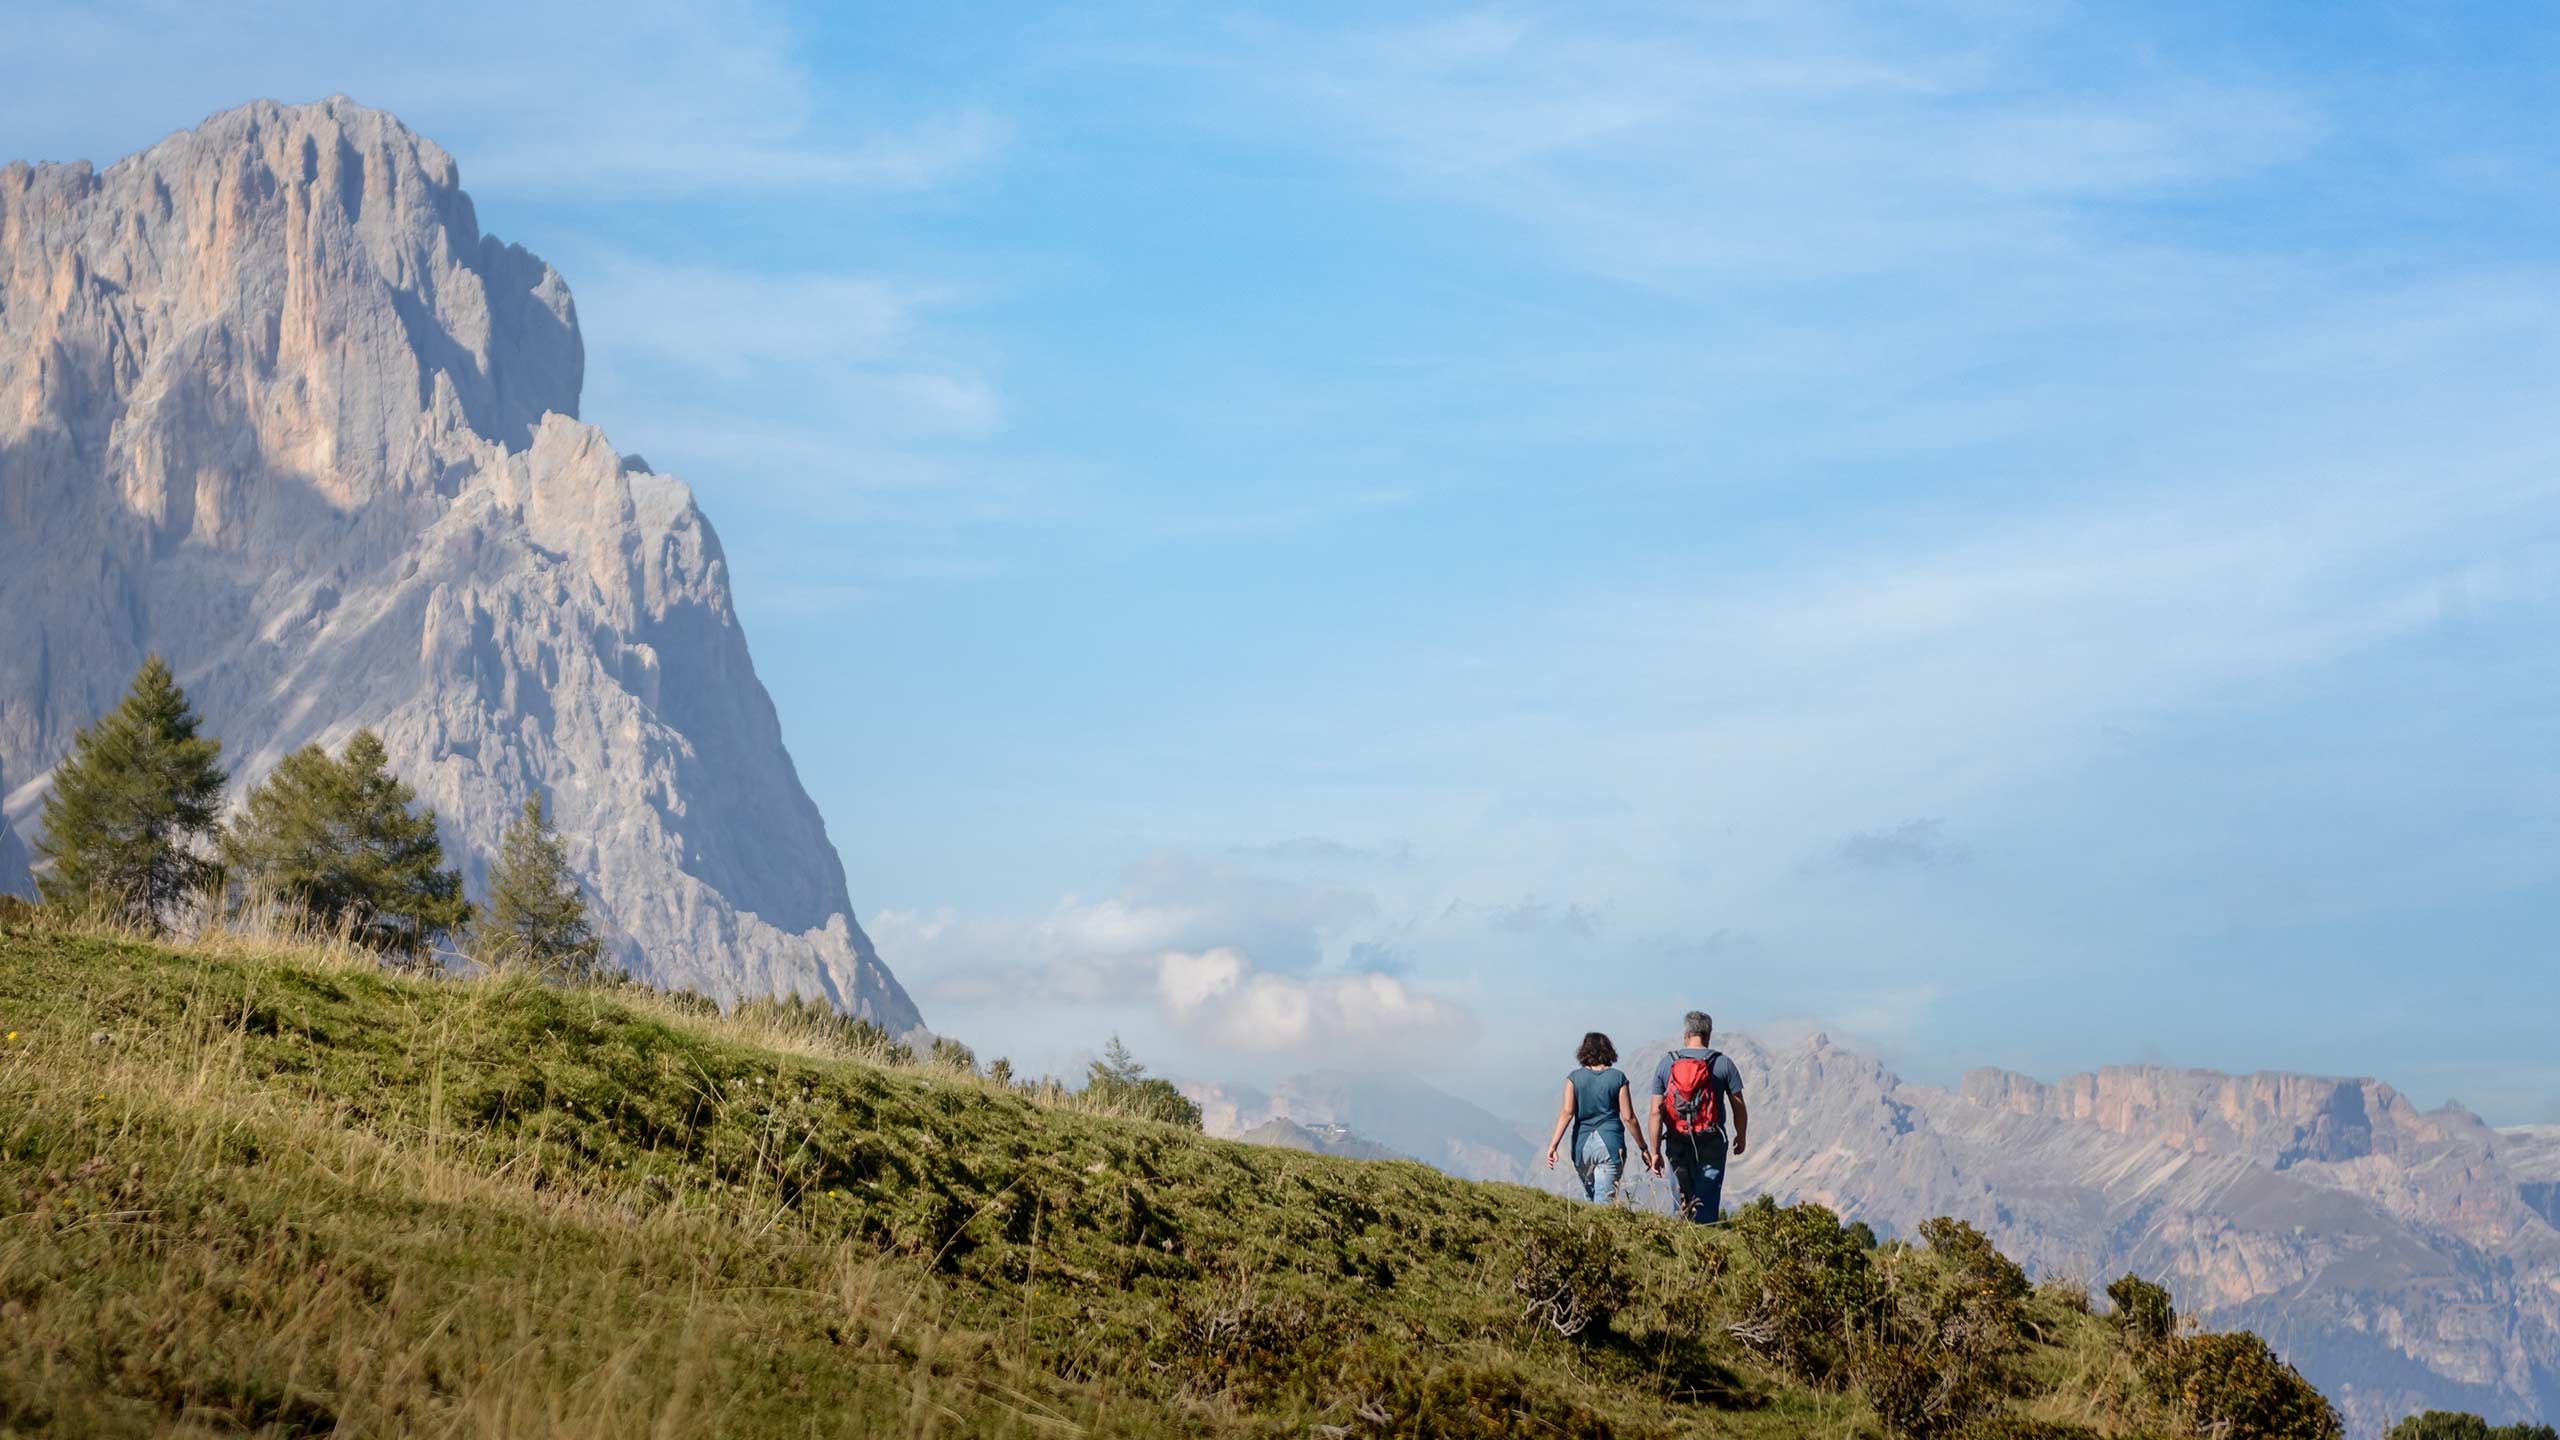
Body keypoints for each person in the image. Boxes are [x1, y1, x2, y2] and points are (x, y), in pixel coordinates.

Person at [1644, 1010, 1748, 1223]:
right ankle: (1705, 1244)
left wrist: (1654, 1151)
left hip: (1676, 1140)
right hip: (1711, 1140)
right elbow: (1739, 1105)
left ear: (1686, 1034)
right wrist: (1741, 1135)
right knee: (1707, 1199)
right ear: (1709, 1035)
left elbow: (1656, 1111)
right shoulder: (1723, 1063)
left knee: (1680, 1201)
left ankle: (1683, 1244)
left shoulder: (1667, 1064)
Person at [1542, 1031, 1653, 1204]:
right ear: (1608, 1051)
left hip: (1582, 1145)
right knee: (1604, 1202)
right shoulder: (1618, 1078)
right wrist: (1643, 1148)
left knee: (1590, 1200)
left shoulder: (1574, 1078)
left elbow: (1567, 1112)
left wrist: (1553, 1145)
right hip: (1609, 1143)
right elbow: (1628, 1117)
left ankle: (1588, 1231)